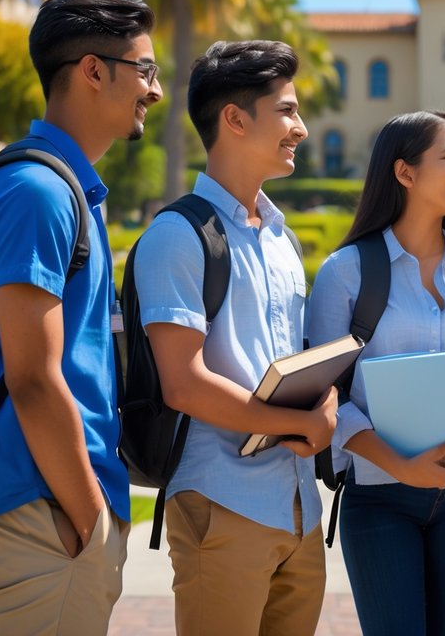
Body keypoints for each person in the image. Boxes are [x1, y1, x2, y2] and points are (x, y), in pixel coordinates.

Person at [0, 0, 162, 634]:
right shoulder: (38, 192)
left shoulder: (66, 189)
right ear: (94, 71)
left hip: (54, 506)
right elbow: (33, 376)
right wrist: (88, 516)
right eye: (145, 70)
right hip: (45, 507)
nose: (155, 91)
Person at [132, 40, 337, 635]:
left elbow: (298, 362)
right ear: (235, 118)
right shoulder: (177, 234)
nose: (300, 128)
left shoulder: (282, 239)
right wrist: (302, 425)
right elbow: (184, 384)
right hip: (221, 503)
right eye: (288, 111)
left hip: (297, 506)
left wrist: (322, 402)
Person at [305, 110, 445, 636]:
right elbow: (323, 393)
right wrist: (401, 466)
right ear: (404, 173)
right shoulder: (346, 271)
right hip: (379, 494)